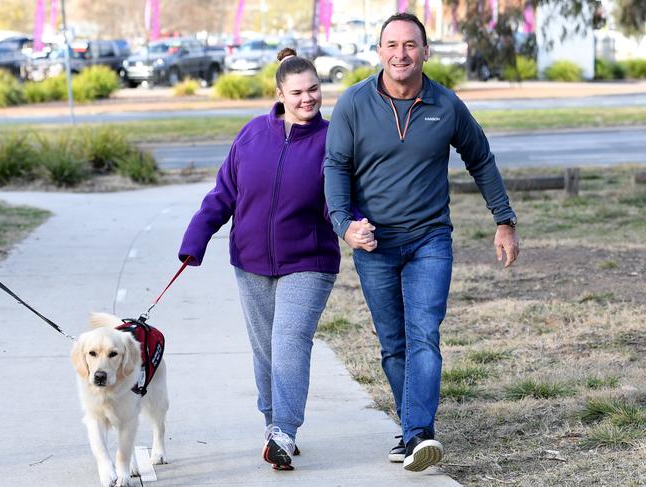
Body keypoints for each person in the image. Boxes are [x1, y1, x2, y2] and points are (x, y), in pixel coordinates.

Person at [324, 13, 519, 472]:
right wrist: (344, 226)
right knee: (393, 344)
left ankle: (418, 433)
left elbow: (482, 160)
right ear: (379, 51)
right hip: (374, 244)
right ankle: (412, 428)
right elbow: (334, 167)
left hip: (430, 239)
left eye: (410, 45)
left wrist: (504, 220)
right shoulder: (353, 103)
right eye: (391, 45)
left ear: (426, 51)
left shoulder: (446, 105)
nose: (401, 54)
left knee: (423, 335)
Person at [179, 47, 340, 471]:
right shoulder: (251, 134)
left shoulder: (333, 139)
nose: (308, 99)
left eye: (314, 89)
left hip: (309, 260)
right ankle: (273, 427)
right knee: (265, 348)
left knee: (288, 340)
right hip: (250, 260)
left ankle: (285, 429)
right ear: (280, 93)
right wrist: (197, 237)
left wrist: (354, 224)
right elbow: (224, 194)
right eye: (298, 91)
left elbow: (339, 199)